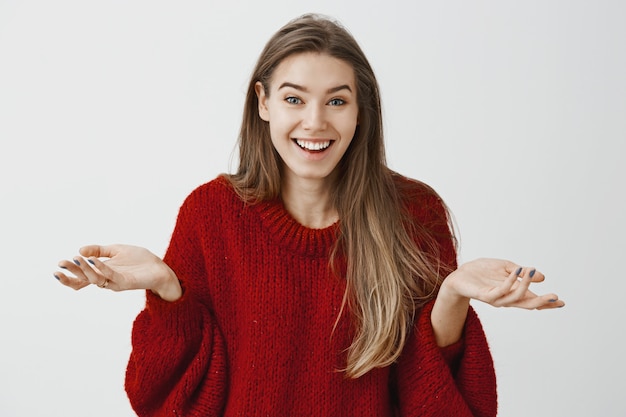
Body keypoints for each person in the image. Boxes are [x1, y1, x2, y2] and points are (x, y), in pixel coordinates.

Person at [54, 14, 564, 417]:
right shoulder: (210, 214)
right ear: (264, 102)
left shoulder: (414, 213)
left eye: (336, 101)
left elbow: (432, 399)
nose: (315, 122)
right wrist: (168, 291)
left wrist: (451, 295)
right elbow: (168, 400)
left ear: (361, 109)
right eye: (294, 98)